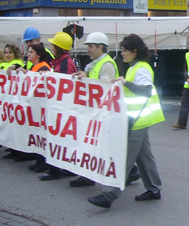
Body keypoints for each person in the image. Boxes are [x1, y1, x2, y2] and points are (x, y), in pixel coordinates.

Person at [88, 34, 164, 209]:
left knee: (125, 157)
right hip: (138, 118)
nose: (122, 54)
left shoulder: (142, 68)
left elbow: (145, 91)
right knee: (144, 156)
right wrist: (123, 83)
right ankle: (154, 188)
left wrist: (125, 83)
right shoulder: (134, 67)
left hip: (138, 119)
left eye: (124, 51)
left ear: (134, 51)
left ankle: (108, 195)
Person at [69, 32, 141, 187]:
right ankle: (125, 171)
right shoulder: (95, 63)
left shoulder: (106, 64)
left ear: (100, 47)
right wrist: (85, 74)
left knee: (103, 145)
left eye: (91, 46)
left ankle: (129, 171)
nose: (88, 49)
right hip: (95, 112)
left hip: (102, 113)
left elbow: (103, 90)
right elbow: (91, 74)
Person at [39, 32, 77, 181]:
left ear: (58, 48)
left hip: (62, 107)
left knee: (59, 138)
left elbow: (63, 87)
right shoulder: (60, 62)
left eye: (53, 46)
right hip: (61, 107)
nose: (51, 48)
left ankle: (56, 169)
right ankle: (59, 168)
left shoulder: (64, 64)